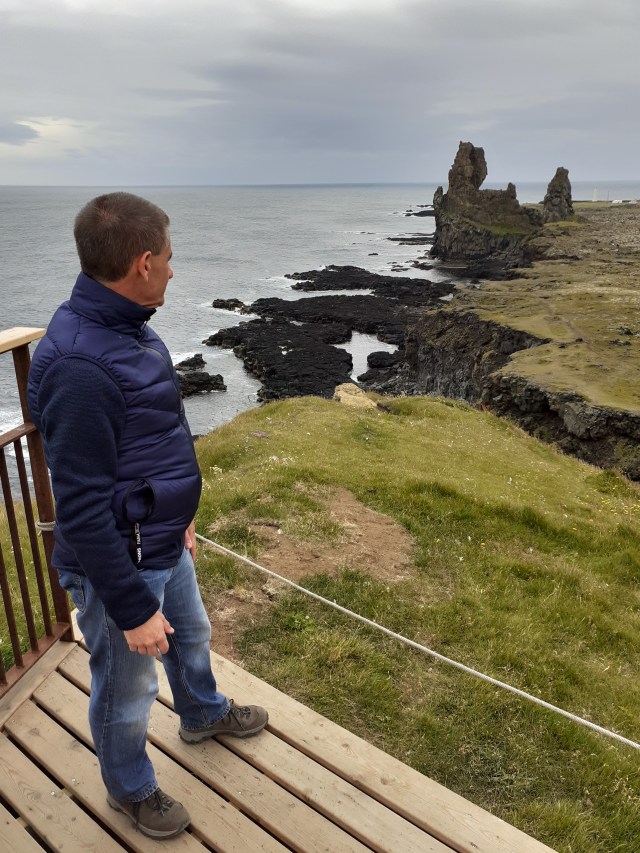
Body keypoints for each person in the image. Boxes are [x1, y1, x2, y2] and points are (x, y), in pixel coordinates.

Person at [27, 192, 268, 840]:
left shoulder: (125, 326)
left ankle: (202, 712)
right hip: (119, 564)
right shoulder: (82, 367)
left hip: (157, 536)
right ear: (142, 263)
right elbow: (80, 508)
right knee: (126, 689)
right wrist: (132, 609)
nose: (171, 268)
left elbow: (153, 434)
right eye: (167, 256)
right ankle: (129, 787)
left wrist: (178, 514)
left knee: (191, 635)